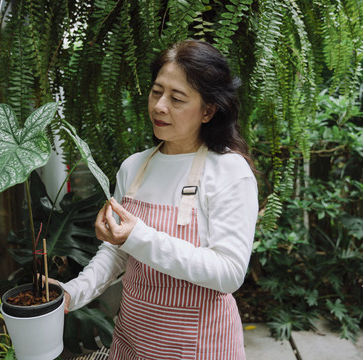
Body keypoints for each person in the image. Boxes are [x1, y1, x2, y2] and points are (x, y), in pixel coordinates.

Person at [55, 39, 258, 360]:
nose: (160, 106)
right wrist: (70, 294)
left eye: (177, 98)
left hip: (199, 345)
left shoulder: (229, 171)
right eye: (156, 92)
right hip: (134, 340)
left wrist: (138, 237)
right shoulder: (133, 167)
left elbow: (229, 273)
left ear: (208, 110)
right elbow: (116, 253)